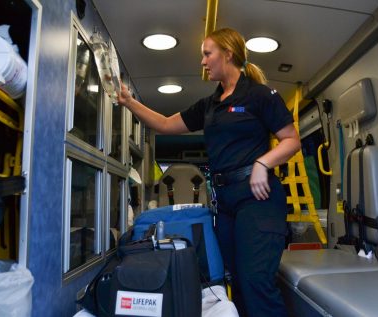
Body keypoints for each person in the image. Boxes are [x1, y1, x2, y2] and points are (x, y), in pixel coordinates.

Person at [117, 27, 301, 317]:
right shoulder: (209, 105)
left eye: (207, 54)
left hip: (257, 198)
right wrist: (129, 102)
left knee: (256, 282)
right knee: (236, 281)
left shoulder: (259, 95)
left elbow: (292, 140)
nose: (202, 62)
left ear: (228, 54)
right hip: (225, 203)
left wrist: (262, 163)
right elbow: (165, 124)